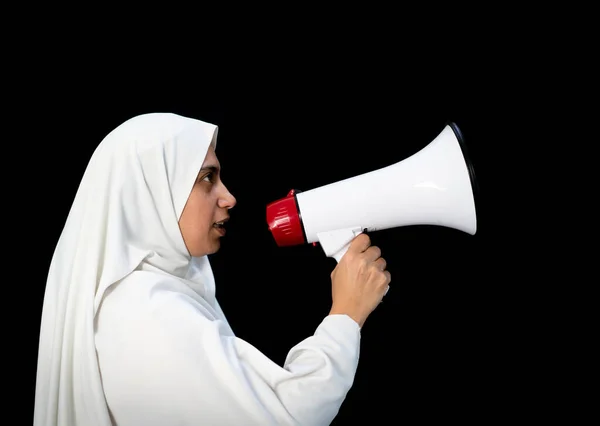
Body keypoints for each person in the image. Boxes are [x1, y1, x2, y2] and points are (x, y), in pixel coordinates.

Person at [34, 112, 391, 426]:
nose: (229, 197)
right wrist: (346, 315)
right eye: (207, 178)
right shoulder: (142, 311)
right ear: (154, 190)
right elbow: (286, 417)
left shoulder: (159, 295)